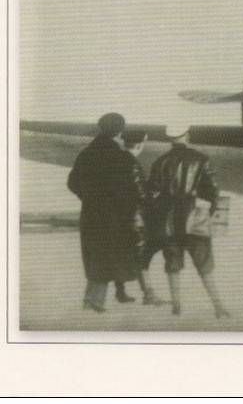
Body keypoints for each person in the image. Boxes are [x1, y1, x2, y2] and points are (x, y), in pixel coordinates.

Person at [147, 123, 229, 318]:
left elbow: (151, 192)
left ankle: (176, 306)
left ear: (170, 139)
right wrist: (208, 212)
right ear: (188, 136)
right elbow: (213, 191)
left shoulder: (160, 162)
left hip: (169, 220)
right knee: (204, 265)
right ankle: (218, 307)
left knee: (173, 264)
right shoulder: (201, 159)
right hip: (195, 218)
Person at [67, 112, 142, 313]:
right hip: (114, 217)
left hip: (91, 214)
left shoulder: (87, 153)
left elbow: (72, 182)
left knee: (97, 256)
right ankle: (93, 302)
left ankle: (105, 296)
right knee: (107, 258)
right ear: (120, 130)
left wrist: (89, 198)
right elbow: (131, 189)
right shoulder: (121, 156)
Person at [116, 130, 167, 306]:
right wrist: (156, 189)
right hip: (133, 216)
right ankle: (149, 295)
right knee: (140, 255)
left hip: (117, 214)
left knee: (121, 253)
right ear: (139, 145)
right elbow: (142, 195)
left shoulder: (115, 160)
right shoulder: (132, 164)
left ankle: (121, 292)